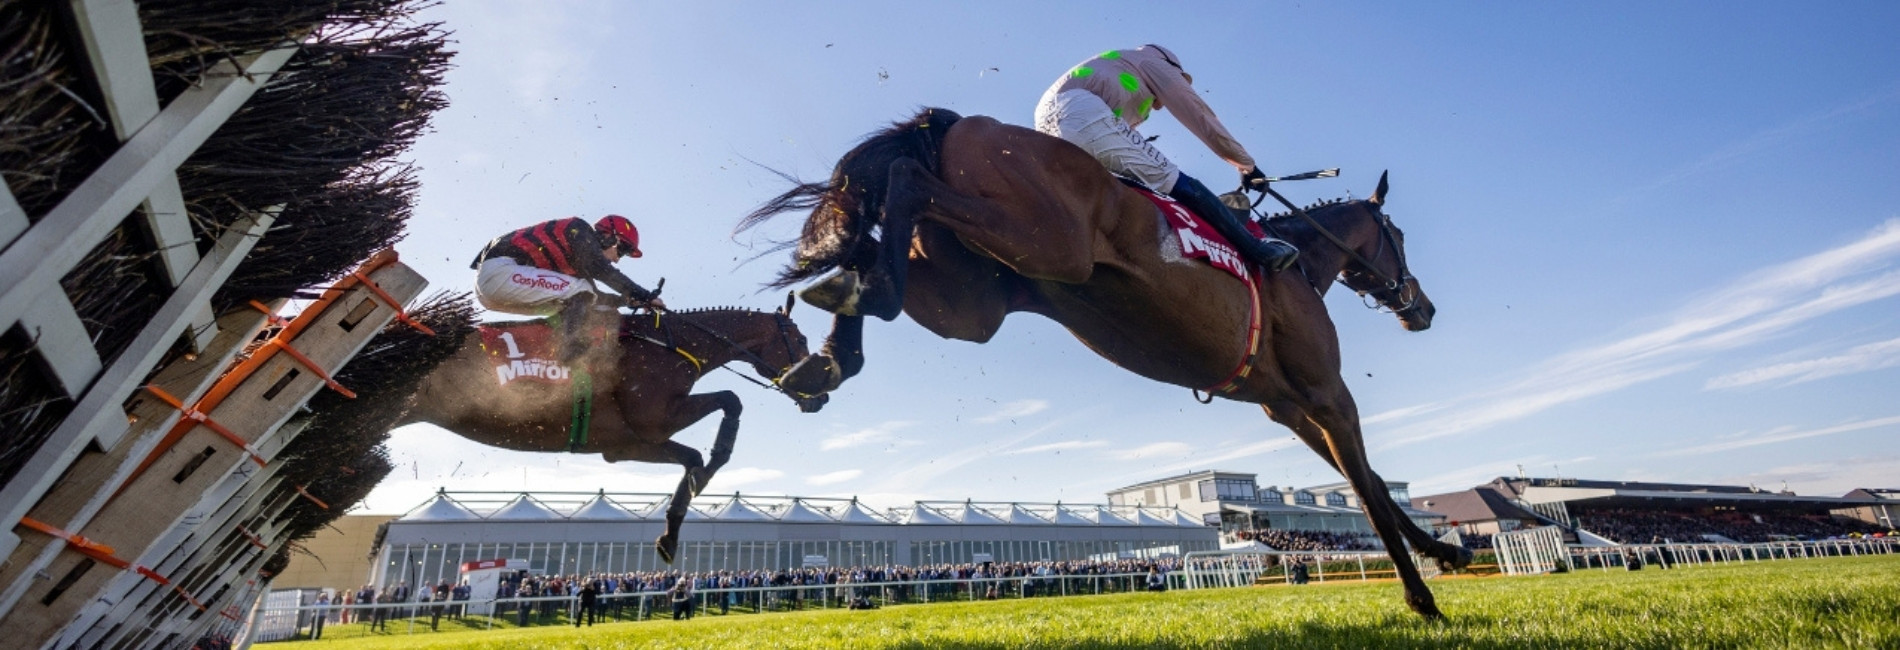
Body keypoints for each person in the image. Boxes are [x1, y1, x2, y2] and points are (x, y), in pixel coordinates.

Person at [1035, 45, 1298, 273]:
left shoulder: (1121, 65)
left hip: (1046, 123)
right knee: (1172, 178)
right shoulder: (1155, 63)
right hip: (1080, 113)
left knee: (1133, 190)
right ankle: (1256, 249)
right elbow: (1199, 115)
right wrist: (1246, 165)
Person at [470, 215, 666, 362]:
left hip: (496, 288)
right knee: (581, 292)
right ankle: (569, 348)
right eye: (621, 251)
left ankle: (546, 354)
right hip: (499, 273)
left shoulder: (579, 258)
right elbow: (604, 272)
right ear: (608, 236)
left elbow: (595, 296)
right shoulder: (580, 230)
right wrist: (646, 296)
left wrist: (628, 300)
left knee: (583, 301)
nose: (616, 259)